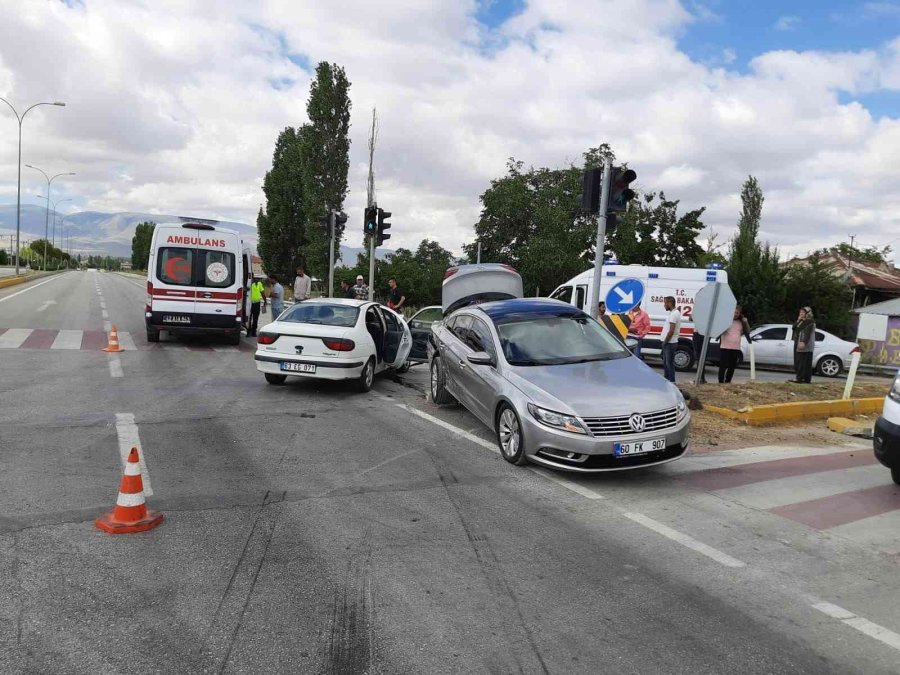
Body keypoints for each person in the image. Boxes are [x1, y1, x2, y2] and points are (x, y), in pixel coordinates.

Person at [717, 305, 751, 384]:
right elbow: (719, 330)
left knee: (732, 366)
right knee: (723, 365)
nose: (735, 314)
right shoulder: (726, 321)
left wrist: (746, 322)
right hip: (725, 346)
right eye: (734, 312)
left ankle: (728, 381)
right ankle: (720, 381)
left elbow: (748, 331)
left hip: (736, 347)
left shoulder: (741, 322)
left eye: (737, 313)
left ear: (739, 314)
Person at [792, 306, 816, 383]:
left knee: (802, 362)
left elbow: (806, 333)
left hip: (805, 345)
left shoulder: (809, 321)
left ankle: (800, 378)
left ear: (807, 314)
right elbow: (794, 327)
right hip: (800, 343)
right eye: (800, 312)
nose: (801, 314)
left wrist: (803, 342)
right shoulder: (802, 321)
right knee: (801, 361)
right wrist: (798, 320)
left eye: (803, 313)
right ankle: (805, 379)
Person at [661, 296, 681, 383]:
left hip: (670, 343)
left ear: (669, 303)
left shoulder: (674, 314)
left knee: (669, 364)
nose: (664, 305)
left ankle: (671, 382)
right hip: (669, 342)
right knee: (666, 363)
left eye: (665, 303)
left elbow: (671, 331)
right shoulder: (673, 313)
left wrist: (665, 342)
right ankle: (666, 381)